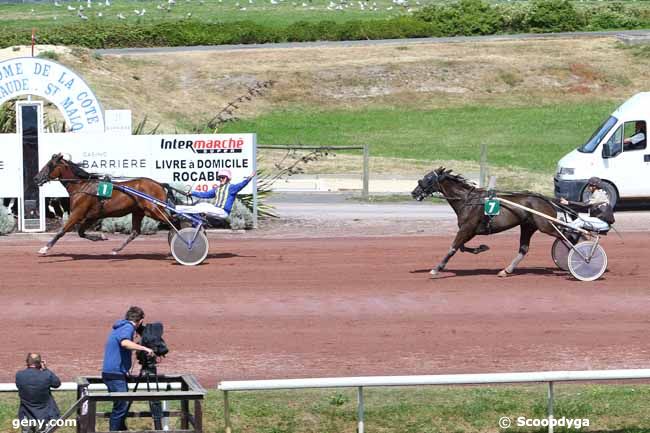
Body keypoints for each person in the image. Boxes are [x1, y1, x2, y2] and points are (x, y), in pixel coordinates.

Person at [102, 306, 154, 431]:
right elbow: (124, 343)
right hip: (115, 374)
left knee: (121, 405)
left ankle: (120, 429)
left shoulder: (120, 327)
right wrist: (144, 348)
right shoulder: (128, 327)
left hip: (111, 372)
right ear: (140, 321)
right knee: (122, 406)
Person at [175, 169, 256, 218]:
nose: (221, 179)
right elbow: (204, 194)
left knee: (203, 209)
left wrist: (250, 178)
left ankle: (176, 209)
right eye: (219, 177)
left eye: (223, 177)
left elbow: (241, 185)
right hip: (216, 209)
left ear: (227, 178)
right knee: (201, 205)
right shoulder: (217, 189)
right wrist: (192, 193)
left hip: (223, 212)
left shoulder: (232, 188)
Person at [15, 353, 61, 433]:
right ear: (40, 363)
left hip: (26, 414)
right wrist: (46, 369)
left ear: (27, 362)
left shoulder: (19, 375)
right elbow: (57, 384)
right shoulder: (46, 375)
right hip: (44, 415)